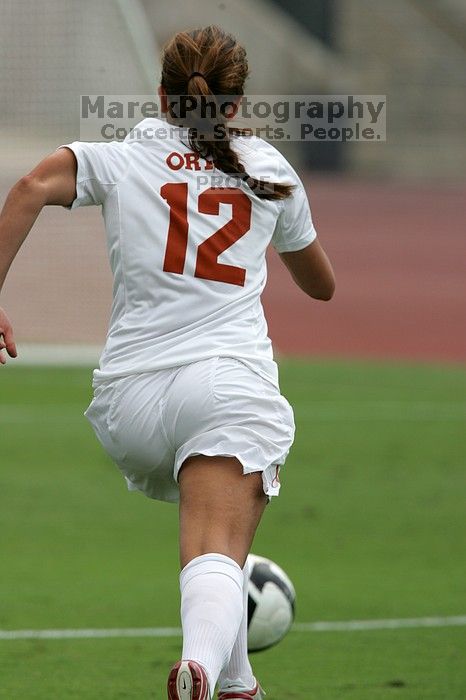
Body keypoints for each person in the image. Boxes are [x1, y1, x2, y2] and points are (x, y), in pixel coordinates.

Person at [0, 25, 334, 700]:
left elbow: (31, 185)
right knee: (215, 543)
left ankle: (235, 681)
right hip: (224, 386)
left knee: (217, 550)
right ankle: (200, 670)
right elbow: (320, 285)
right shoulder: (268, 169)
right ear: (235, 104)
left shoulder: (122, 158)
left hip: (129, 404)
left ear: (161, 94)